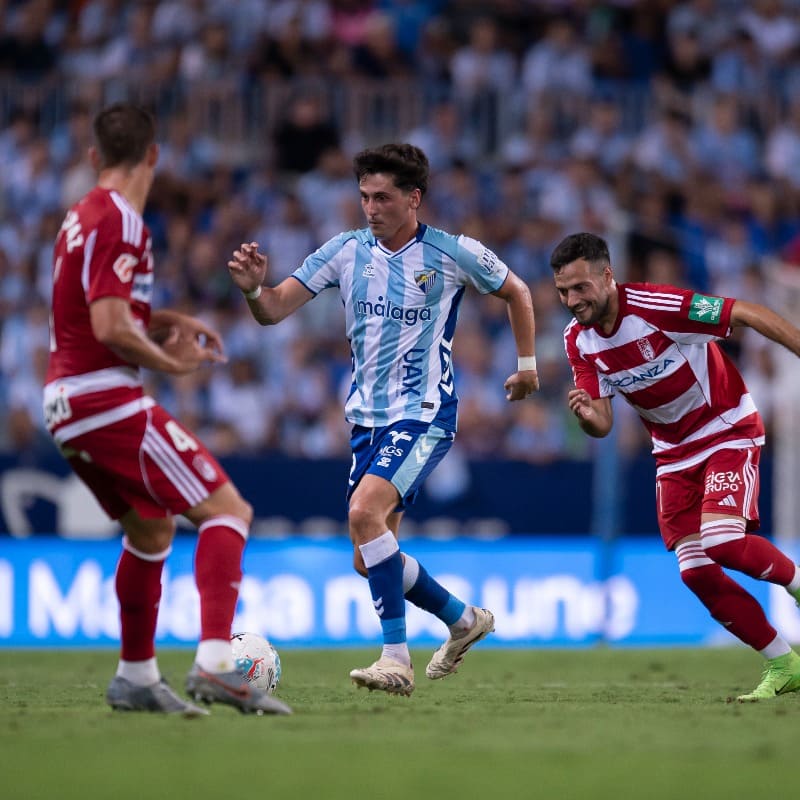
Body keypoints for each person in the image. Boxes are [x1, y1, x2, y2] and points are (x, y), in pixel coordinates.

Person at [228, 143, 539, 695]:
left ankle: (395, 659)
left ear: (413, 198)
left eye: (383, 197)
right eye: (364, 196)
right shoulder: (345, 251)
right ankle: (465, 621)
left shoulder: (451, 252)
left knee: (363, 511)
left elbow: (518, 291)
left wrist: (526, 367)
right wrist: (253, 286)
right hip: (366, 423)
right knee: (368, 559)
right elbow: (273, 309)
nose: (370, 208)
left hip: (423, 415)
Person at [43, 102, 291, 716]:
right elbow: (107, 325)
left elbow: (96, 309)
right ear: (153, 155)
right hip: (104, 399)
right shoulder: (121, 220)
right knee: (228, 510)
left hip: (65, 403)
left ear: (95, 156)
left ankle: (134, 675)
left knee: (150, 529)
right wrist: (170, 362)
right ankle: (214, 664)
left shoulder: (79, 216)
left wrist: (166, 320)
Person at [550, 231, 800, 702]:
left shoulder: (657, 305)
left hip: (725, 428)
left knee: (724, 541)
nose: (572, 300)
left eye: (581, 287)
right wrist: (586, 415)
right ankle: (784, 663)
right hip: (673, 453)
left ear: (607, 275)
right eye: (563, 291)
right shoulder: (578, 341)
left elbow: (744, 312)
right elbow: (603, 423)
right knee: (696, 572)